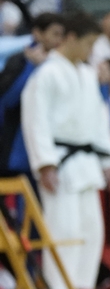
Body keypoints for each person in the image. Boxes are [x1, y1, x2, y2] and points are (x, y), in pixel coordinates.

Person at [20, 11, 110, 289]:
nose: (90, 51)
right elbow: (34, 121)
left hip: (86, 160)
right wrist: (45, 163)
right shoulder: (47, 73)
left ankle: (83, 288)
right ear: (71, 38)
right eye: (88, 43)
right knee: (64, 228)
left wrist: (107, 159)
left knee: (91, 227)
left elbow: (99, 119)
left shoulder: (87, 74)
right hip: (59, 161)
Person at [0, 13, 64, 185]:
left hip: (49, 148)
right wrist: (32, 68)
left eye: (62, 35)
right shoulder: (19, 61)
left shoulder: (61, 65)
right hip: (15, 148)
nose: (59, 40)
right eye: (55, 34)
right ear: (37, 33)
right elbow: (7, 101)